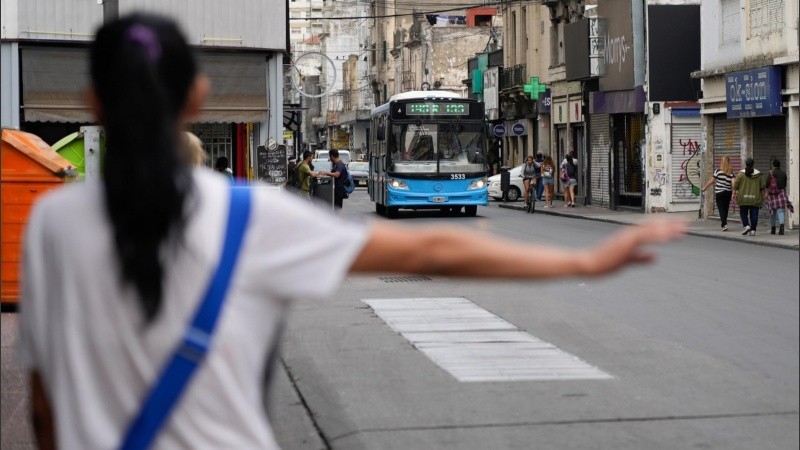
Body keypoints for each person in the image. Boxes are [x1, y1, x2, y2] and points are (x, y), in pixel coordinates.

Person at [18, 13, 687, 450]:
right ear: (199, 97)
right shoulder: (250, 214)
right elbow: (430, 249)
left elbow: (43, 405)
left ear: (92, 102)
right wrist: (583, 264)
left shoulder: (49, 221)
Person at [733, 157, 766, 236]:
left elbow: (735, 185)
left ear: (745, 164)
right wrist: (764, 196)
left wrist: (734, 193)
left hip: (743, 198)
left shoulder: (741, 174)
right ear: (753, 164)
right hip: (755, 198)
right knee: (754, 215)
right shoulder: (759, 175)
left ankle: (747, 226)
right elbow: (763, 186)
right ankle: (753, 230)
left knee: (743, 213)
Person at [701, 155, 734, 231]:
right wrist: (734, 191)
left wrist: (705, 187)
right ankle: (724, 223)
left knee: (721, 208)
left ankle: (724, 224)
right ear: (729, 162)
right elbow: (733, 183)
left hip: (719, 192)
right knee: (725, 208)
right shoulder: (731, 172)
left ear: (722, 162)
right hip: (728, 192)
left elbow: (712, 181)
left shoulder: (718, 171)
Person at [765, 159, 793, 235]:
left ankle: (773, 229)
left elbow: (767, 184)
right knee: (781, 211)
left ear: (773, 165)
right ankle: (781, 229)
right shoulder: (783, 173)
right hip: (781, 193)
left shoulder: (770, 173)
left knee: (772, 212)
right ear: (779, 165)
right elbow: (785, 184)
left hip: (772, 195)